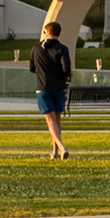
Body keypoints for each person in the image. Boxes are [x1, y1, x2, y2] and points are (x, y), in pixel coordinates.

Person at [29, 21, 73, 160]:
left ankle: (61, 147)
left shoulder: (36, 48)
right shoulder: (62, 49)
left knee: (50, 121)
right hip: (59, 87)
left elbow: (32, 68)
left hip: (43, 87)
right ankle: (54, 152)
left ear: (47, 32)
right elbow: (66, 68)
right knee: (57, 120)